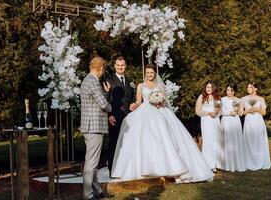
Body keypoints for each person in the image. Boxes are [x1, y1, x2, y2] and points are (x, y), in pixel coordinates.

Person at [111, 64, 214, 183]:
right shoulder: (140, 86)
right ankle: (144, 167)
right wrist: (135, 105)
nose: (149, 75)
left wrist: (160, 102)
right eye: (148, 72)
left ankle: (172, 167)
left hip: (160, 110)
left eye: (151, 72)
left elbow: (164, 100)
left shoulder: (160, 85)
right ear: (145, 73)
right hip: (145, 111)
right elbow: (139, 100)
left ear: (155, 73)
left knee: (163, 129)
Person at [80, 56, 112, 200]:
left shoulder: (88, 80)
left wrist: (104, 94)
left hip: (90, 126)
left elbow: (96, 100)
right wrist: (110, 105)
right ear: (101, 68)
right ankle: (88, 195)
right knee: (91, 163)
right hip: (94, 126)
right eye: (103, 69)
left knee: (92, 161)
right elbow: (104, 104)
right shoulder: (93, 81)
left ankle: (97, 190)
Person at [104, 56, 135, 176]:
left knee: (127, 143)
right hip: (115, 117)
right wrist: (109, 115)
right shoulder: (109, 79)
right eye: (118, 65)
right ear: (115, 66)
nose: (120, 67)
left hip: (129, 117)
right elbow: (105, 99)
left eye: (122, 65)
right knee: (114, 143)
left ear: (125, 66)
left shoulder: (129, 80)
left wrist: (134, 103)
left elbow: (132, 97)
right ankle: (112, 170)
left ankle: (125, 169)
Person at [240, 82, 271, 170]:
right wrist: (248, 110)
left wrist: (257, 109)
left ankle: (260, 161)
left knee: (258, 141)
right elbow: (241, 113)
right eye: (248, 87)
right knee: (249, 141)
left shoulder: (261, 99)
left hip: (258, 121)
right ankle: (248, 162)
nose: (248, 89)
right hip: (248, 121)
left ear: (256, 89)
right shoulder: (243, 99)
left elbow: (264, 113)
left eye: (251, 87)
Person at [195, 80, 222, 172]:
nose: (209, 89)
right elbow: (198, 111)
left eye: (210, 87)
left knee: (216, 141)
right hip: (206, 121)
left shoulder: (217, 97)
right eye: (207, 87)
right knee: (208, 141)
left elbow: (220, 111)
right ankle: (208, 163)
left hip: (216, 121)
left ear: (214, 88)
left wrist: (217, 112)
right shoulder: (202, 97)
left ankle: (217, 163)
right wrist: (208, 113)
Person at [220, 83, 246, 172]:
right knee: (227, 141)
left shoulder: (238, 100)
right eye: (228, 90)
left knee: (235, 141)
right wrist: (229, 113)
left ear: (234, 91)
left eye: (231, 90)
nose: (229, 92)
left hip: (235, 121)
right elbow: (220, 112)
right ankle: (226, 165)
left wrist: (237, 109)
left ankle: (237, 164)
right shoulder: (222, 99)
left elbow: (240, 113)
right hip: (226, 121)